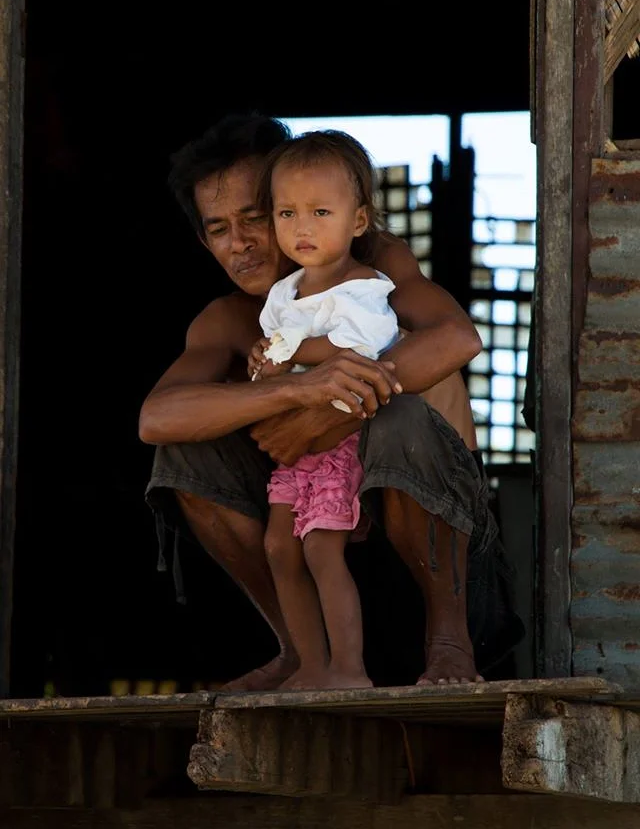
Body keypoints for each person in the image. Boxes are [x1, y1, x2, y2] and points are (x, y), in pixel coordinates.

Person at [139, 113, 523, 691]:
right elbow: (156, 417)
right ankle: (301, 652)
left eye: (256, 216)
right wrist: (294, 388)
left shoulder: (373, 268)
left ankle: (449, 645)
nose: (241, 243)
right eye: (219, 229)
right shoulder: (230, 319)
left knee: (401, 417)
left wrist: (331, 412)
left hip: (436, 572)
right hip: (316, 559)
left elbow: (456, 338)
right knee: (186, 452)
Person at [248, 130, 400, 690]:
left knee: (320, 549)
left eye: (320, 212)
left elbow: (360, 349)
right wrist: (263, 358)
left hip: (340, 438)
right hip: (295, 444)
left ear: (358, 221)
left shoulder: (364, 288)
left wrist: (289, 352)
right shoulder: (283, 294)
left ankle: (349, 669)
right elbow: (276, 353)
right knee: (278, 547)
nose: (302, 227)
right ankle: (311, 664)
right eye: (287, 213)